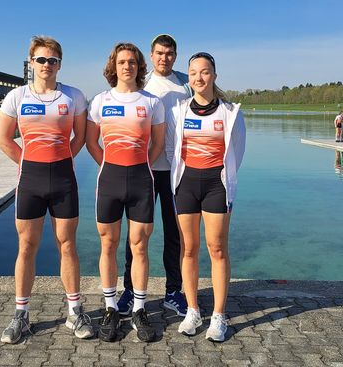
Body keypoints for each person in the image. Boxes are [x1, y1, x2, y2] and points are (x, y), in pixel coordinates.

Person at [0, 36, 93, 343]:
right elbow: (4, 140)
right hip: (30, 180)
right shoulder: (16, 97)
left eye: (52, 60)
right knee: (27, 246)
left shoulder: (74, 96)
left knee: (67, 245)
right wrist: (31, 163)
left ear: (60, 64)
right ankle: (21, 316)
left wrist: (59, 161)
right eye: (41, 60)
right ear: (31, 63)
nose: (46, 65)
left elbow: (80, 137)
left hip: (63, 178)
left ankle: (75, 312)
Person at [86, 42, 165, 342]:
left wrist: (139, 164)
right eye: (122, 62)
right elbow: (92, 142)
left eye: (132, 61)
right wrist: (109, 164)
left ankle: (139, 309)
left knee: (140, 246)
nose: (127, 66)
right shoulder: (100, 101)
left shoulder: (152, 102)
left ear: (139, 66)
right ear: (113, 66)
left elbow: (157, 144)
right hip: (109, 179)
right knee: (108, 244)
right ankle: (109, 307)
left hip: (142, 180)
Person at [167, 51, 245, 341]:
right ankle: (192, 310)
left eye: (204, 72)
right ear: (188, 77)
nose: (199, 78)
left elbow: (237, 153)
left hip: (216, 185)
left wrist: (226, 185)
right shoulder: (179, 111)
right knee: (188, 249)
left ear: (214, 75)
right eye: (193, 73)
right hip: (186, 184)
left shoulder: (229, 112)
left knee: (217, 249)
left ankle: (219, 315)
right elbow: (170, 149)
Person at [117, 34, 191, 318]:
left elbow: (215, 101)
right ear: (151, 55)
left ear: (175, 55)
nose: (165, 58)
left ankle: (174, 291)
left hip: (176, 171)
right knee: (136, 237)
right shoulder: (140, 83)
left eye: (170, 53)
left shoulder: (186, 81)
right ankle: (130, 289)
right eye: (160, 53)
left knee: (175, 234)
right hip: (144, 170)